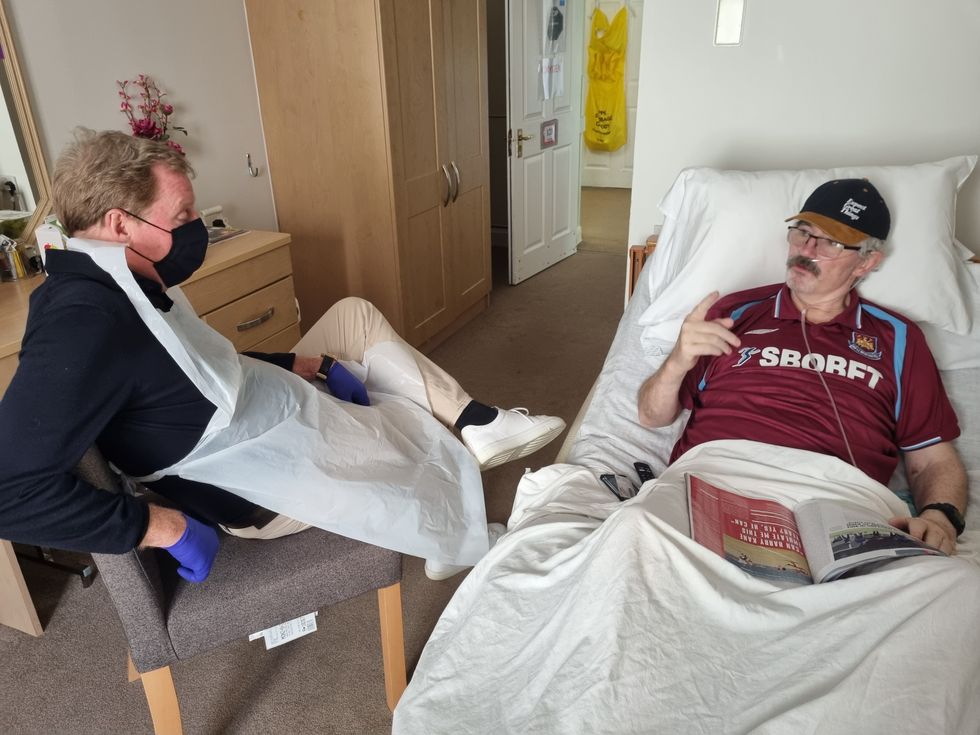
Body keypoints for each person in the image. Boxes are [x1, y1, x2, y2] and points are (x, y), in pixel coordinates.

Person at [0, 129, 565, 583]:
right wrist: (158, 526)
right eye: (181, 219)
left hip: (263, 410)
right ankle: (451, 532)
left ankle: (475, 422)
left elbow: (193, 371)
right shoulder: (85, 323)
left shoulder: (120, 280)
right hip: (260, 483)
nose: (196, 230)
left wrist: (295, 363)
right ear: (121, 224)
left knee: (352, 316)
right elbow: (9, 492)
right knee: (401, 427)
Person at [637, 178, 967, 555]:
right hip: (715, 480)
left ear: (868, 261)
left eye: (830, 241)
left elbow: (932, 457)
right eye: (803, 232)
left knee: (952, 590)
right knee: (632, 535)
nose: (807, 249)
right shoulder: (734, 312)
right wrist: (677, 360)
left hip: (837, 499)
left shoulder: (898, 338)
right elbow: (652, 416)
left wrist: (941, 517)